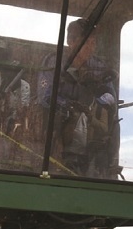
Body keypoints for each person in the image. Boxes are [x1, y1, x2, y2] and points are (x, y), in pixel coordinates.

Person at [37, 18, 117, 176]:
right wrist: (70, 107)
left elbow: (111, 96)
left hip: (91, 123)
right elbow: (45, 96)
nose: (91, 47)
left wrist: (98, 103)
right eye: (86, 42)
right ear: (70, 42)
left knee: (112, 124)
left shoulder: (99, 66)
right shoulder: (53, 62)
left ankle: (106, 166)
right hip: (60, 124)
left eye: (93, 42)